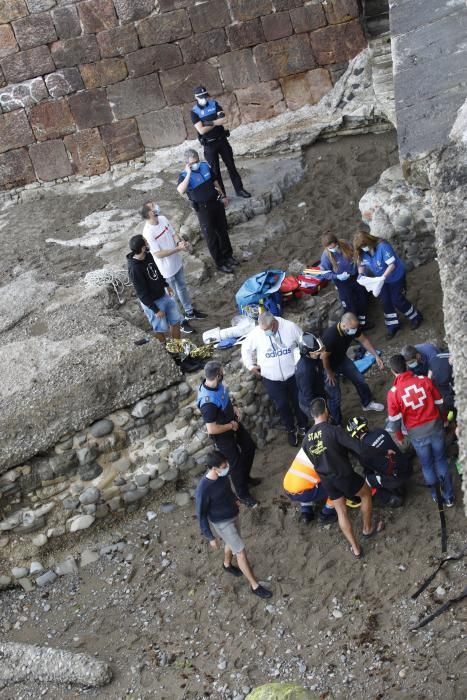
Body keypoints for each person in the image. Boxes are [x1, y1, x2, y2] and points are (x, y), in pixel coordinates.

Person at [303, 398, 384, 559]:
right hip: (343, 475)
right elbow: (359, 448)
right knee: (366, 493)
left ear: (313, 415)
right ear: (326, 410)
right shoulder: (333, 430)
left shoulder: (306, 440)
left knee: (341, 511)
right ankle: (367, 529)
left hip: (327, 481)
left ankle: (356, 549)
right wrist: (382, 453)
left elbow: (314, 461)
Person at [195, 450, 272, 599]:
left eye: (226, 464)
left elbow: (227, 490)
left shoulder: (222, 477)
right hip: (222, 523)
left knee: (231, 542)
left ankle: (226, 564)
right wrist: (210, 536)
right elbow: (201, 515)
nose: (227, 467)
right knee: (241, 552)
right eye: (224, 466)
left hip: (233, 514)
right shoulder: (203, 489)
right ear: (213, 468)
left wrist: (235, 499)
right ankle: (254, 586)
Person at [386, 354, 454, 506]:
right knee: (441, 460)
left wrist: (399, 437)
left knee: (427, 465)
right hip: (436, 427)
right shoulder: (425, 381)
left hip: (417, 434)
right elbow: (440, 403)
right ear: (407, 365)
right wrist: (444, 420)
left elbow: (395, 421)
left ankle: (436, 495)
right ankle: (449, 497)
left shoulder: (393, 393)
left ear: (393, 371)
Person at [197, 360, 260, 508]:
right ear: (218, 375)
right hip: (223, 433)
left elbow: (224, 397)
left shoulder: (216, 384)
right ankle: (243, 494)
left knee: (249, 447)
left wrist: (235, 408)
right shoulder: (208, 403)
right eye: (222, 371)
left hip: (232, 423)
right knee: (235, 464)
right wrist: (230, 425)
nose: (224, 373)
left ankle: (245, 478)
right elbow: (212, 429)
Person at [241, 311, 308, 447]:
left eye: (266, 329)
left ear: (273, 323)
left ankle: (303, 426)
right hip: (271, 378)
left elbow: (304, 342)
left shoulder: (290, 327)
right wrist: (250, 366)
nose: (264, 331)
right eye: (262, 329)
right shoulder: (256, 333)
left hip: (292, 374)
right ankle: (290, 430)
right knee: (282, 405)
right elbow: (245, 348)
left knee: (298, 401)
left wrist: (301, 362)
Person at [141, 200, 208, 330]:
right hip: (166, 270)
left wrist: (179, 243)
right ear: (148, 214)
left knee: (182, 287)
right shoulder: (148, 232)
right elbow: (158, 254)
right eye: (153, 207)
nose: (156, 207)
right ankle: (180, 321)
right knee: (173, 297)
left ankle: (189, 312)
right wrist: (178, 249)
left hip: (176, 263)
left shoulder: (163, 218)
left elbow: (173, 233)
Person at [177, 148, 239, 275]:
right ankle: (220, 263)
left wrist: (223, 196)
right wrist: (188, 173)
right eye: (193, 163)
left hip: (216, 202)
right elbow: (180, 190)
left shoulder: (205, 166)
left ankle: (228, 256)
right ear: (187, 163)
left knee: (222, 230)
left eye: (197, 160)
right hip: (203, 209)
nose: (196, 164)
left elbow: (215, 181)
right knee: (211, 237)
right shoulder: (184, 176)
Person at [353, 226, 423, 338]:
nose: (364, 249)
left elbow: (392, 265)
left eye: (364, 246)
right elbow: (361, 265)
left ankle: (416, 317)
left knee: (397, 300)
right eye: (361, 248)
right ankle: (393, 326)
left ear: (369, 241)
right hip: (380, 279)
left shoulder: (383, 247)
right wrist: (361, 275)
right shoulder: (361, 252)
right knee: (385, 301)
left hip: (395, 277)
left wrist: (383, 277)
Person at [321, 312, 384, 426]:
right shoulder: (330, 336)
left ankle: (367, 403)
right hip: (328, 366)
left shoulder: (352, 329)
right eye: (353, 328)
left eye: (355, 328)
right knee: (335, 397)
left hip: (342, 359)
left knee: (359, 379)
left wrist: (376, 355)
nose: (354, 330)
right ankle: (337, 423)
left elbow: (364, 340)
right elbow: (324, 357)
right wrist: (329, 373)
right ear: (344, 325)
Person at [191, 86, 251, 199]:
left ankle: (240, 189)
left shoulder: (214, 104)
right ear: (195, 97)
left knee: (231, 166)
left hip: (222, 141)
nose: (204, 99)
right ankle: (222, 196)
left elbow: (223, 119)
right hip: (209, 145)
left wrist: (208, 122)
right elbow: (201, 130)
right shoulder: (194, 112)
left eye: (205, 96)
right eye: (201, 97)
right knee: (215, 172)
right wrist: (215, 122)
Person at [127, 234, 183, 342]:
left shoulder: (148, 255)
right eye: (146, 242)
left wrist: (166, 285)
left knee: (176, 321)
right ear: (143, 248)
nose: (148, 243)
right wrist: (155, 310)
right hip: (152, 303)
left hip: (163, 295)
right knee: (160, 330)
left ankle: (178, 348)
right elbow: (141, 294)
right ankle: (166, 355)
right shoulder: (134, 269)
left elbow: (156, 272)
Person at [346, 415, 412, 507]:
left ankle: (390, 499)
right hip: (407, 466)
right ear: (365, 426)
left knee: (366, 481)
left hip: (396, 478)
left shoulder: (363, 451)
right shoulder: (380, 431)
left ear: (355, 436)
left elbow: (368, 470)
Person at [319, 231, 370, 329]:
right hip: (342, 282)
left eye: (334, 246)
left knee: (362, 297)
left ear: (337, 242)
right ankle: (355, 327)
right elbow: (324, 273)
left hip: (354, 276)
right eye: (330, 248)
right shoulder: (326, 256)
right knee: (349, 304)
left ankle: (363, 323)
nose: (333, 249)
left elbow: (357, 257)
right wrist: (337, 276)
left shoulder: (346, 244)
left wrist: (361, 273)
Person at [283, 446, 337, 524]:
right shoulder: (328, 447)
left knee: (305, 483)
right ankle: (327, 513)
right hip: (306, 491)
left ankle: (306, 511)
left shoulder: (307, 443)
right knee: (338, 483)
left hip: (288, 487)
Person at [295, 332, 328, 417]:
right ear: (306, 352)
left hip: (318, 395)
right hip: (311, 404)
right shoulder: (305, 370)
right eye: (317, 352)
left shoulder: (313, 358)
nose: (321, 353)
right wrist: (319, 412)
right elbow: (308, 395)